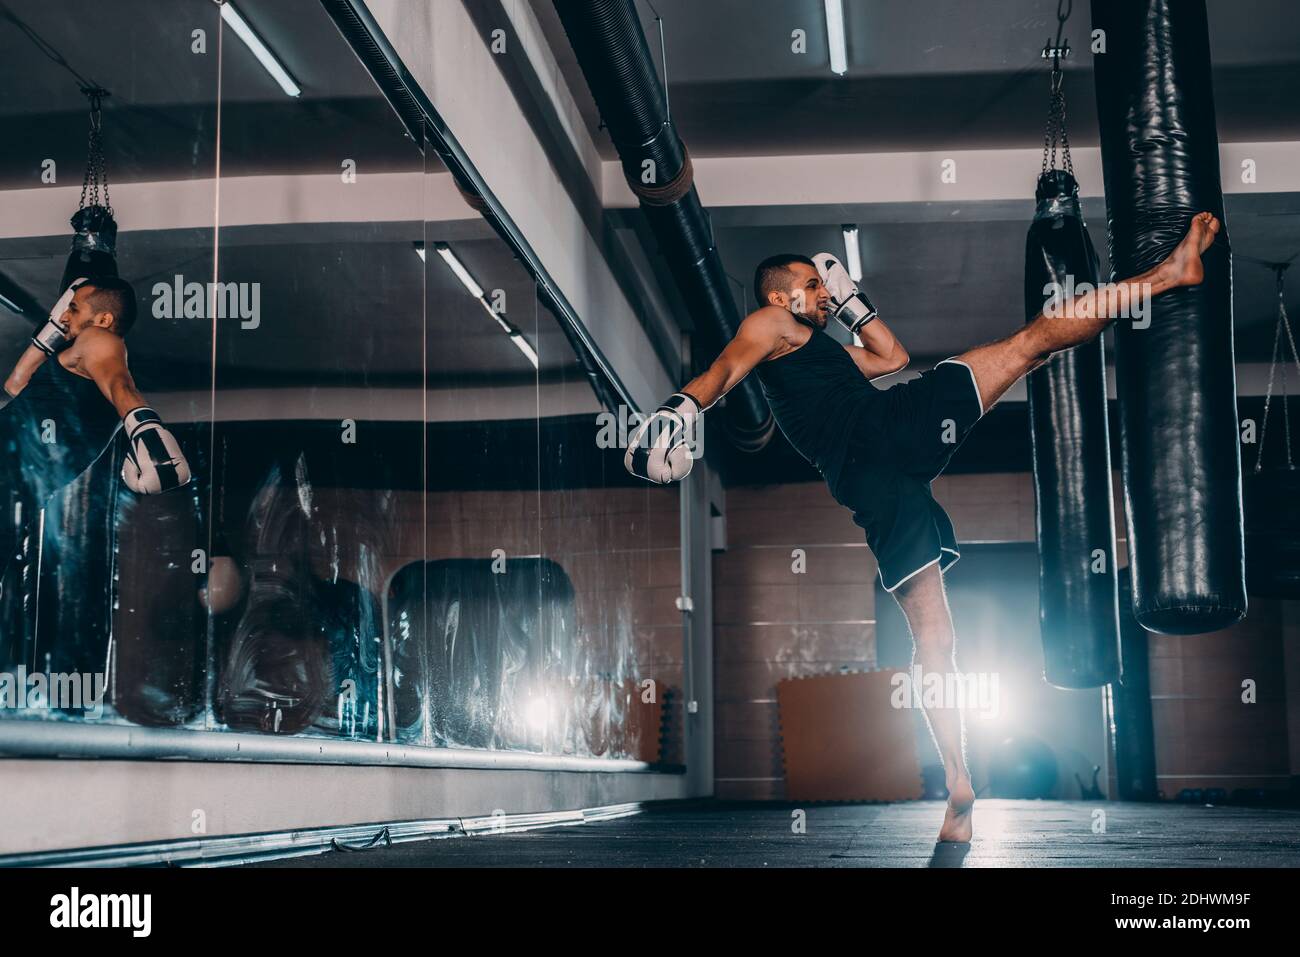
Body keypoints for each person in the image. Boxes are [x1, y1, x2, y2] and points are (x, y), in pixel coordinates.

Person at [626, 212, 1222, 842]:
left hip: (877, 485)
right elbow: (724, 369)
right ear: (781, 295)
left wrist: (853, 301)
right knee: (1030, 343)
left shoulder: (816, 351)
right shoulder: (770, 323)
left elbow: (893, 355)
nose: (823, 291)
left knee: (937, 645)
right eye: (812, 283)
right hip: (888, 431)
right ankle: (1165, 276)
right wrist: (680, 407)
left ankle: (958, 785)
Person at [0, 276, 191, 666]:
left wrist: (152, 441)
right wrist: (52, 330)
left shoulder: (102, 343)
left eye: (74, 308)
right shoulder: (79, 356)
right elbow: (15, 385)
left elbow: (121, 388)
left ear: (103, 319)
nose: (65, 314)